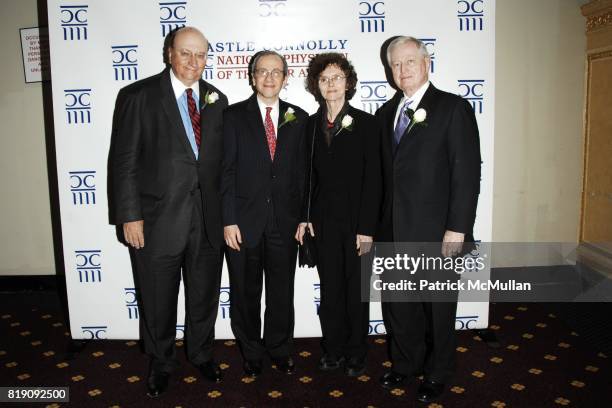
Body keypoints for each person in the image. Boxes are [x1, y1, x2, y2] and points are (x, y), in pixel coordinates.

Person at [109, 26, 228, 397]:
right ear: (169, 54)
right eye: (186, 53)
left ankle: (201, 352)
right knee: (158, 297)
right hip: (157, 220)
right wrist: (129, 215)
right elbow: (124, 160)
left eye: (202, 55)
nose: (194, 62)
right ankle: (161, 361)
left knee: (204, 294)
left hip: (207, 220)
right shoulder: (138, 95)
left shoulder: (216, 99)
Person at [375, 36, 481, 403]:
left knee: (437, 309)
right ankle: (405, 365)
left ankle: (438, 372)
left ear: (426, 63)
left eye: (409, 62)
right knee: (399, 307)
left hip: (438, 232)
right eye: (396, 65)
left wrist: (458, 228)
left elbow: (467, 176)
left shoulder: (453, 109)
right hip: (392, 232)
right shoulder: (385, 114)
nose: (402, 70)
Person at [221, 50, 308, 378]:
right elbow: (225, 171)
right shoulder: (232, 117)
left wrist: (303, 217)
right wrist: (228, 219)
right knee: (245, 292)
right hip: (242, 224)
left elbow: (304, 175)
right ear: (252, 76)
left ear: (286, 78)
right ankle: (251, 351)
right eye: (262, 71)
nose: (269, 78)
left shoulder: (299, 118)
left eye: (276, 72)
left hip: (285, 224)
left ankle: (280, 348)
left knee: (282, 292)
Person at [296, 53, 381, 377]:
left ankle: (357, 352)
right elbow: (306, 176)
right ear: (316, 86)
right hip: (324, 224)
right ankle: (332, 350)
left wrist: (367, 227)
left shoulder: (367, 124)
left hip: (358, 224)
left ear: (348, 83)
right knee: (331, 291)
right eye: (323, 79)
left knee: (356, 292)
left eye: (337, 77)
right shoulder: (309, 127)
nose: (331, 84)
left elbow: (374, 179)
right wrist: (304, 218)